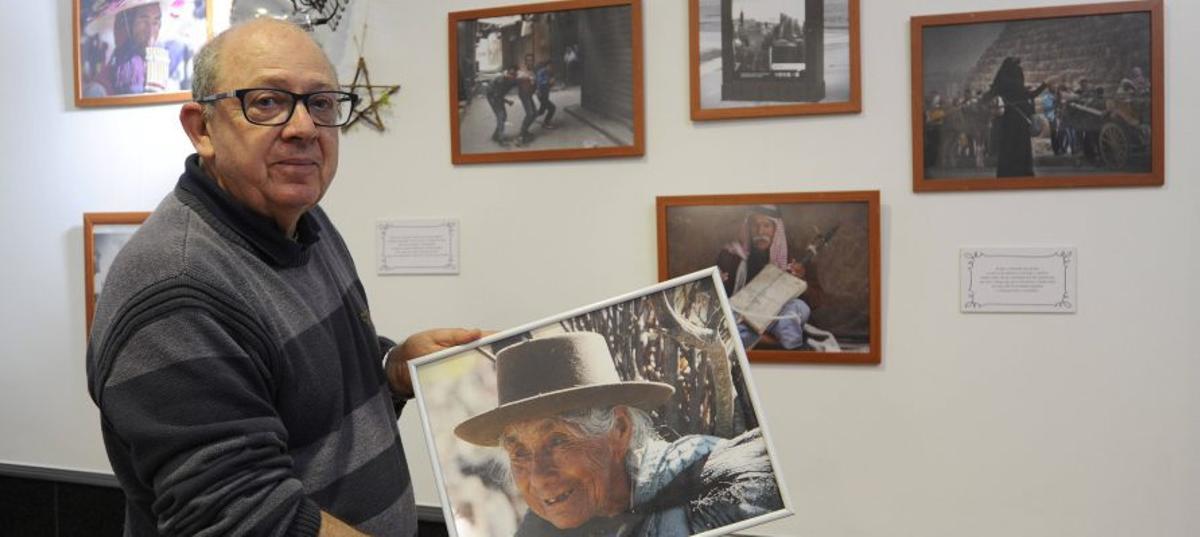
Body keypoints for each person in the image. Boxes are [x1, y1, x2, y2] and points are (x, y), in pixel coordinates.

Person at [86, 19, 480, 536]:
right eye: (267, 102)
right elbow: (248, 520)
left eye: (321, 104)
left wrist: (390, 368)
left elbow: (308, 398)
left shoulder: (303, 223)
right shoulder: (177, 289)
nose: (303, 128)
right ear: (201, 128)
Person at [453, 333, 783, 537]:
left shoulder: (724, 481)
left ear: (620, 430)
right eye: (519, 452)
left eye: (557, 440)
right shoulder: (541, 529)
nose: (538, 479)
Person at [717, 205, 817, 351]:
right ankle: (777, 343)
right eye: (755, 226)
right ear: (748, 229)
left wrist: (802, 280)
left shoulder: (792, 257)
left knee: (798, 307)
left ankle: (772, 340)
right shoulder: (731, 255)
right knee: (726, 325)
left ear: (776, 229)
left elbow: (817, 299)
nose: (760, 231)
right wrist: (718, 281)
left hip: (777, 319)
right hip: (745, 319)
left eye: (766, 226)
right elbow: (717, 298)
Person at [982, 57, 1048, 177]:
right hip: (1020, 121)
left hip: (1006, 122)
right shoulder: (1016, 85)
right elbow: (1031, 95)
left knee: (1007, 149)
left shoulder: (1000, 83)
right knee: (1021, 148)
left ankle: (1006, 173)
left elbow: (986, 97)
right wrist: (1045, 85)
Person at [487, 65, 519, 145]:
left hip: (498, 96)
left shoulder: (512, 80)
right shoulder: (501, 80)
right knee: (501, 116)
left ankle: (495, 135)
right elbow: (497, 96)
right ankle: (500, 139)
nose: (512, 76)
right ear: (507, 73)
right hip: (492, 96)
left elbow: (519, 79)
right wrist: (507, 101)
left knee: (503, 116)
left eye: (514, 75)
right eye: (511, 74)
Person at [516, 54, 539, 145]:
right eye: (528, 60)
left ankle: (525, 130)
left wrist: (536, 89)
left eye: (532, 60)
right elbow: (518, 77)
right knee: (530, 114)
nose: (530, 62)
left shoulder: (533, 71)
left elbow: (534, 83)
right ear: (525, 62)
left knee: (535, 113)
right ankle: (521, 134)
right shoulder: (522, 71)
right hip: (524, 95)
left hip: (529, 94)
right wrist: (527, 77)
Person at [534, 60, 557, 129]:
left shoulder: (549, 73)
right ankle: (546, 123)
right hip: (541, 94)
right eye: (550, 66)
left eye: (552, 67)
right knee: (552, 108)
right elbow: (539, 82)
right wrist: (548, 81)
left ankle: (532, 116)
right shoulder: (542, 72)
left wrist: (552, 84)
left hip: (545, 94)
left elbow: (549, 85)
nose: (551, 68)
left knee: (542, 110)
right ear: (546, 66)